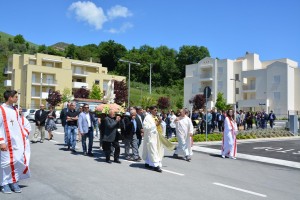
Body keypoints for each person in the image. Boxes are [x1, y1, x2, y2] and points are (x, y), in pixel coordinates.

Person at [0, 90, 31, 194]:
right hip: (5, 142)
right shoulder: (1, 109)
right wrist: (1, 142)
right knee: (5, 163)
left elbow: (19, 125)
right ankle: (4, 183)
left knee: (17, 161)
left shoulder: (15, 110)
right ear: (10, 97)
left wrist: (23, 137)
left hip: (16, 142)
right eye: (16, 97)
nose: (17, 98)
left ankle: (13, 181)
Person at [142, 106, 164, 173]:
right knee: (153, 150)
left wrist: (159, 122)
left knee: (151, 150)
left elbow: (158, 125)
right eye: (155, 110)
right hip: (150, 137)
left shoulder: (155, 117)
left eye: (157, 110)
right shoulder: (147, 117)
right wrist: (155, 124)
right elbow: (145, 126)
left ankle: (148, 163)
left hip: (156, 136)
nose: (156, 111)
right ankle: (156, 166)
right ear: (151, 110)